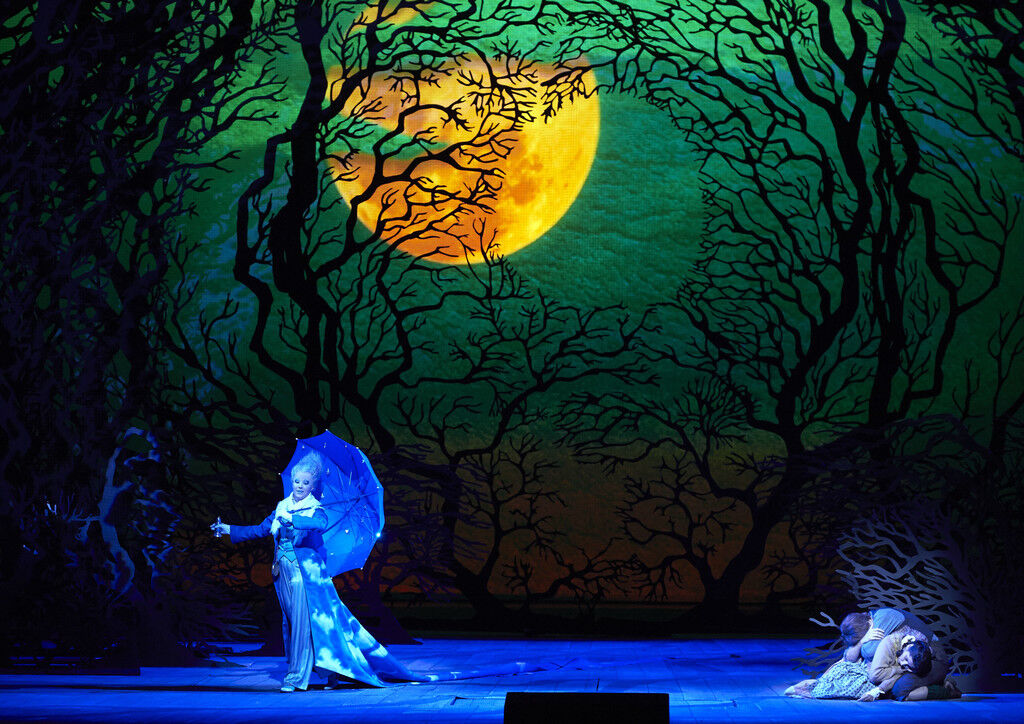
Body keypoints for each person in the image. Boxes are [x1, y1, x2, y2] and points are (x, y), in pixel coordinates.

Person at [211, 451, 436, 691]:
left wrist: (295, 520)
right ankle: (331, 672)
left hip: (304, 576)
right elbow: (260, 529)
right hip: (282, 574)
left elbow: (320, 524)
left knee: (302, 626)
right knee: (294, 625)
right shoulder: (282, 507)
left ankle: (296, 678)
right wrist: (228, 529)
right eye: (297, 481)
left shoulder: (314, 509)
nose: (300, 486)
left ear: (313, 486)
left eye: (305, 482)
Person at [784, 609, 960, 700]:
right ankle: (817, 686)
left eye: (863, 637)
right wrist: (862, 641)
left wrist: (865, 645)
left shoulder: (884, 618)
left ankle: (946, 690)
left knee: (900, 691)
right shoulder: (868, 628)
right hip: (907, 659)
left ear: (869, 623)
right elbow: (849, 657)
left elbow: (869, 654)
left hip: (931, 659)